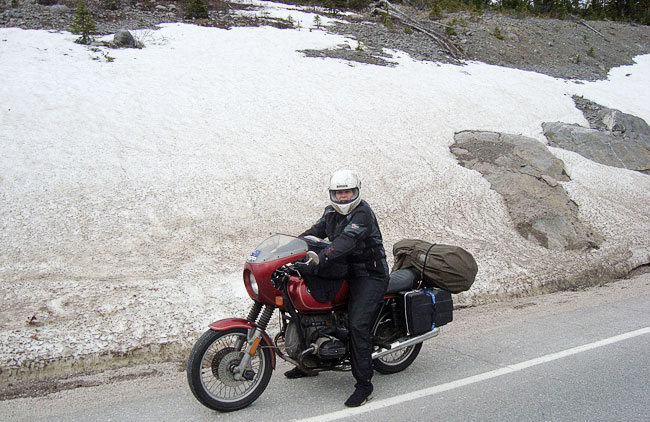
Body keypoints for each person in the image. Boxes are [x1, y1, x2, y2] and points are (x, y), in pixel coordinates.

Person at [286, 169, 390, 407]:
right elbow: (314, 232)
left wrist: (322, 258)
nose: (343, 197)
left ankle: (364, 385)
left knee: (357, 325)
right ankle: (308, 361)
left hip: (369, 275)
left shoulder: (363, 213)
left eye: (347, 192)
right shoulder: (330, 212)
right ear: (332, 194)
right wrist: (290, 248)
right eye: (339, 193)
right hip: (343, 271)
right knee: (307, 309)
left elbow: (346, 242)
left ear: (356, 192)